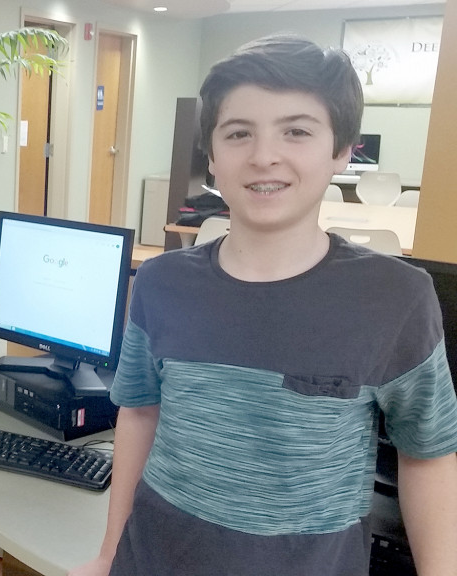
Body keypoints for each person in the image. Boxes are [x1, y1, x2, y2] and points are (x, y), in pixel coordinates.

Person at [70, 35, 457, 576]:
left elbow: (428, 453)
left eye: (296, 131)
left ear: (341, 150)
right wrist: (109, 555)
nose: (263, 156)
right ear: (212, 155)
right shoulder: (160, 283)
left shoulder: (395, 299)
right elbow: (139, 414)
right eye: (238, 133)